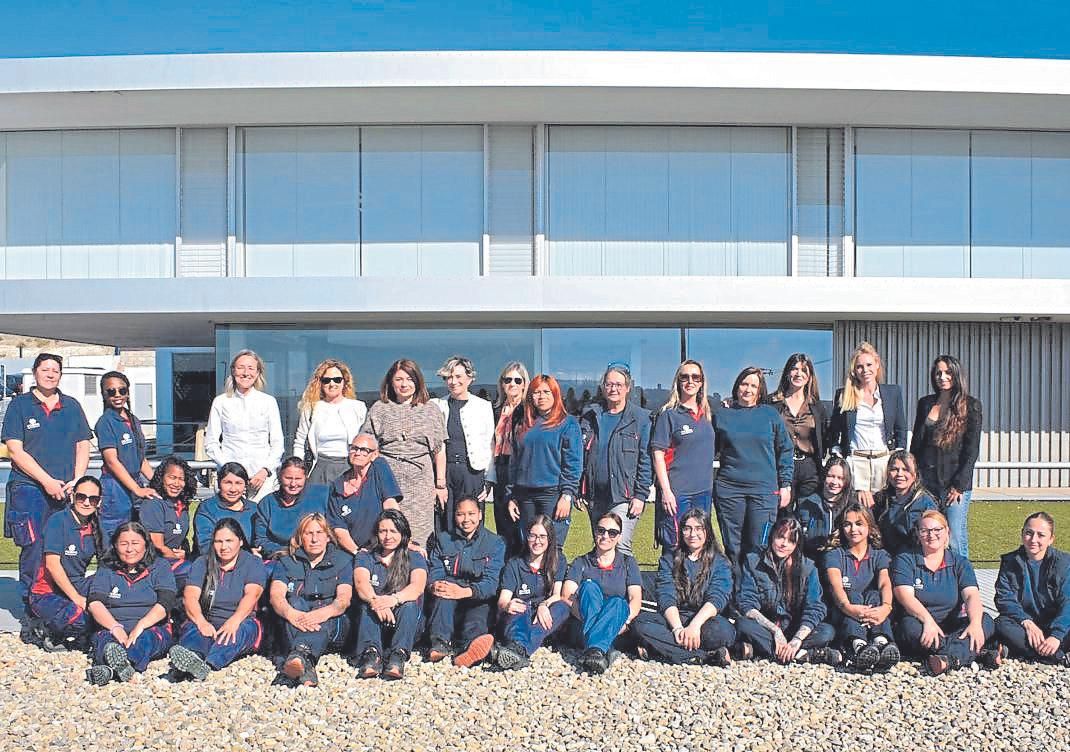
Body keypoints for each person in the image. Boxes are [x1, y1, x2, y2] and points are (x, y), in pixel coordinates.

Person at [2, 353, 92, 608]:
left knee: (64, 546)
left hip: (66, 489)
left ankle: (61, 602)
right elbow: (15, 451)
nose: (50, 374)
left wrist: (77, 480)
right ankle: (33, 607)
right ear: (35, 372)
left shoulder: (71, 405)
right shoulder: (20, 405)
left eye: (55, 370)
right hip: (30, 488)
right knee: (34, 547)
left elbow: (83, 444)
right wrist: (46, 481)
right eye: (45, 369)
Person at [893, 510, 1002, 675]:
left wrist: (974, 623)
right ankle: (972, 652)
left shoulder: (960, 562)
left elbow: (971, 595)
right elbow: (905, 596)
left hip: (952, 624)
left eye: (937, 530)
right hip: (920, 622)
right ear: (918, 533)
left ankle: (949, 658)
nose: (932, 535)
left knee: (985, 620)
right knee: (908, 628)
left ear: (947, 532)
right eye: (925, 530)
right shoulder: (905, 559)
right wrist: (928, 621)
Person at [712, 367, 793, 571]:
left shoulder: (770, 415)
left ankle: (756, 594)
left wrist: (786, 485)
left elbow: (784, 450)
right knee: (734, 547)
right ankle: (736, 594)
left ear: (760, 390)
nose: (748, 389)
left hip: (764, 491)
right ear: (737, 386)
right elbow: (708, 449)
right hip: (730, 490)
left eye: (753, 385)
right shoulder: (722, 415)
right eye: (744, 384)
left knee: (760, 545)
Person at [631, 509, 735, 666]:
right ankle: (706, 656)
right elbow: (666, 596)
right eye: (687, 528)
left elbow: (717, 597)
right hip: (675, 618)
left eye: (699, 528)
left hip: (705, 620)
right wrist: (678, 629)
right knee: (641, 624)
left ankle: (665, 649)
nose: (693, 534)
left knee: (723, 632)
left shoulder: (720, 562)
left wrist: (694, 626)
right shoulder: (669, 559)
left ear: (707, 531)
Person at [361, 359, 447, 548]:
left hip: (421, 482)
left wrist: (440, 485)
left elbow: (439, 450)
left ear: (417, 381)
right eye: (399, 379)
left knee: (420, 533)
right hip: (388, 481)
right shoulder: (379, 408)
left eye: (409, 379)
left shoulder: (431, 409)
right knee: (389, 529)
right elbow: (368, 445)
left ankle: (419, 572)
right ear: (391, 382)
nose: (404, 384)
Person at [168, 518, 266, 680]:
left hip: (241, 619)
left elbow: (252, 595)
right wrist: (201, 622)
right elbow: (190, 596)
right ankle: (192, 657)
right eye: (218, 541)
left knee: (235, 634)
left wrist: (234, 621)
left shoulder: (252, 563)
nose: (223, 547)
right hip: (208, 618)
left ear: (240, 541)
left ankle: (207, 664)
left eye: (229, 541)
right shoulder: (202, 562)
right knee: (194, 630)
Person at [734, 517, 840, 665]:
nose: (784, 544)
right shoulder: (753, 562)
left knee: (827, 631)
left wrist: (796, 640)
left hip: (794, 628)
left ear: (797, 544)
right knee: (743, 624)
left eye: (791, 541)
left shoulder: (807, 568)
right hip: (767, 627)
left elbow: (815, 607)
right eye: (780, 537)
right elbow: (747, 603)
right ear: (772, 536)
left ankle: (770, 651)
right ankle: (802, 655)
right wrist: (775, 631)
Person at [909, 355, 983, 559]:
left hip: (954, 486)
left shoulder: (971, 406)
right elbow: (916, 445)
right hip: (926, 484)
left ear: (957, 374)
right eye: (938, 373)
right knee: (926, 533)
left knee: (955, 537)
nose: (942, 377)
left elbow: (971, 451)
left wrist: (959, 485)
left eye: (947, 372)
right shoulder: (925, 403)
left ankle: (964, 584)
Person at [85, 522, 176, 685]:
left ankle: (111, 669)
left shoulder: (160, 566)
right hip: (113, 627)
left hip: (149, 628)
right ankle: (117, 667)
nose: (129, 549)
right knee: (106, 641)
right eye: (123, 544)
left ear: (146, 544)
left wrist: (140, 626)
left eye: (135, 543)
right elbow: (94, 603)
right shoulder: (107, 568)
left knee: (144, 640)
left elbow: (165, 602)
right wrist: (115, 627)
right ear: (115, 545)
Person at [268, 513, 354, 687]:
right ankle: (304, 661)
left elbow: (344, 599)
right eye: (308, 534)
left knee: (328, 617)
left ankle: (299, 653)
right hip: (296, 619)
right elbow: (276, 596)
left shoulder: (343, 561)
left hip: (331, 623)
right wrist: (290, 613)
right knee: (294, 602)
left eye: (319, 533)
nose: (314, 539)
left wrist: (323, 613)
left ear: (328, 537)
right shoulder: (286, 562)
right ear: (300, 537)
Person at [579, 363, 652, 557]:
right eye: (609, 384)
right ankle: (604, 586)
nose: (614, 389)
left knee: (620, 545)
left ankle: (629, 587)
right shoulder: (590, 416)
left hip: (624, 495)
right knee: (601, 545)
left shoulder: (640, 419)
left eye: (619, 385)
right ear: (603, 387)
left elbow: (645, 459)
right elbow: (581, 455)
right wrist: (580, 488)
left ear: (628, 388)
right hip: (595, 495)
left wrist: (640, 495)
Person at [426, 496, 506, 667]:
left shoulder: (495, 543)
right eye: (460, 514)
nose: (466, 519)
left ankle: (469, 649)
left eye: (471, 513)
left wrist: (464, 592)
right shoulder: (442, 539)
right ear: (454, 516)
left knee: (477, 618)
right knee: (442, 596)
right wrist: (435, 584)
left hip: (476, 595)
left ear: (480, 515)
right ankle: (440, 643)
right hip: (449, 591)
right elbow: (435, 569)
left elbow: (491, 582)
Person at [26, 476, 104, 652]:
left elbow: (108, 563)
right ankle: (46, 628)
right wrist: (78, 599)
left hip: (77, 586)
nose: (86, 502)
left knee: (114, 592)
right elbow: (53, 566)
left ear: (99, 502)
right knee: (81, 618)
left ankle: (88, 636)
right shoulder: (58, 521)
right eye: (81, 497)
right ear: (72, 496)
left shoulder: (96, 526)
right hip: (47, 593)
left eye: (93, 499)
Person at [505, 374, 582, 549]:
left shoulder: (567, 424)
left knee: (552, 546)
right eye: (536, 392)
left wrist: (567, 495)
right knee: (529, 545)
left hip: (553, 494)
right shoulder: (523, 424)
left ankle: (552, 577)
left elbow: (573, 463)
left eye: (546, 392)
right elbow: (515, 464)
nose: (541, 396)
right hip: (525, 495)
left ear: (555, 394)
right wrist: (512, 495)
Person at [560, 512, 643, 675]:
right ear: (595, 532)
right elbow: (567, 596)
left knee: (618, 602)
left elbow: (635, 599)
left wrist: (622, 622)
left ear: (619, 537)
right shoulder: (581, 562)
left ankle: (594, 650)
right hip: (584, 618)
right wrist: (596, 621)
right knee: (589, 588)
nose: (606, 536)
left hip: (617, 622)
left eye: (612, 532)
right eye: (601, 530)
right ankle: (601, 649)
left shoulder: (628, 563)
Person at [822, 502, 900, 672]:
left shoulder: (879, 555)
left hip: (873, 614)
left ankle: (881, 642)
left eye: (859, 524)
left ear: (869, 528)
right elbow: (836, 586)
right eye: (847, 524)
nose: (853, 529)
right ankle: (858, 646)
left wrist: (886, 608)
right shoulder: (835, 554)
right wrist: (848, 607)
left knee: (874, 594)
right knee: (854, 595)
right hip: (843, 612)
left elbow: (885, 582)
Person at [352, 509, 428, 679]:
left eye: (393, 531)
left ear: (403, 532)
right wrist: (375, 602)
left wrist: (392, 600)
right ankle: (371, 654)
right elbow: (361, 582)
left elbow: (417, 586)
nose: (388, 536)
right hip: (375, 620)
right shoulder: (366, 556)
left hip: (405, 622)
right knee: (365, 605)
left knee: (409, 605)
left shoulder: (414, 556)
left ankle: (398, 655)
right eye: (383, 531)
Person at [829, 342, 908, 506]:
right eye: (859, 367)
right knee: (858, 510)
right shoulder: (844, 395)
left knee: (883, 509)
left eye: (869, 365)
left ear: (877, 365)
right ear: (854, 370)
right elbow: (834, 432)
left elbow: (900, 428)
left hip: (883, 460)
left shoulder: (893, 393)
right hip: (856, 461)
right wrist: (839, 455)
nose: (865, 370)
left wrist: (897, 455)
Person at [651, 360, 715, 551]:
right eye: (684, 377)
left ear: (702, 382)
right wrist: (666, 491)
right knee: (675, 544)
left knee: (699, 546)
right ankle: (669, 582)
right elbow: (657, 454)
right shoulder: (669, 416)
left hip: (703, 493)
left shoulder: (707, 415)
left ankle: (695, 581)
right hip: (678, 493)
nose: (690, 381)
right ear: (678, 381)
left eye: (695, 377)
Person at [205, 349, 284, 502]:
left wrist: (265, 471)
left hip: (262, 480)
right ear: (233, 370)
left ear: (258, 372)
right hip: (230, 480)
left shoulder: (268, 402)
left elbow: (277, 443)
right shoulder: (221, 402)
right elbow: (211, 443)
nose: (245, 373)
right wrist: (229, 469)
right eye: (241, 367)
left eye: (250, 368)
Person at [493, 514, 570, 670]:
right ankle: (520, 649)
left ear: (550, 539)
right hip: (520, 615)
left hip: (543, 614)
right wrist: (507, 605)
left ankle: (517, 649)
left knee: (562, 606)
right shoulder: (514, 564)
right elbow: (503, 600)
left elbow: (557, 595)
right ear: (526, 537)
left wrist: (543, 604)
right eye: (533, 536)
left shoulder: (558, 560)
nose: (537, 541)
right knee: (520, 606)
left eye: (542, 536)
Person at [995, 512, 1070, 664]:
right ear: (1022, 534)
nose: (1033, 540)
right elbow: (1004, 599)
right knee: (1001, 623)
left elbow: (1068, 603)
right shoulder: (1010, 562)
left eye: (1040, 535)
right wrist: (1026, 622)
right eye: (1029, 533)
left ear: (1051, 539)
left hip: (1057, 626)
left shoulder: (1064, 563)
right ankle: (1058, 657)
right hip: (1027, 629)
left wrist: (1056, 635)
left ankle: (1035, 653)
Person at [431, 355, 495, 533]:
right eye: (449, 377)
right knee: (445, 520)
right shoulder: (437, 405)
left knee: (471, 522)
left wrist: (490, 479)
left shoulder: (483, 406)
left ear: (470, 378)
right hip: (446, 473)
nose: (453, 381)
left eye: (458, 376)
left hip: (472, 473)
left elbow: (490, 444)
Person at [95, 370, 159, 541]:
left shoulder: (133, 420)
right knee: (114, 538)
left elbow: (141, 459)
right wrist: (137, 489)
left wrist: (157, 482)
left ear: (128, 392)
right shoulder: (105, 422)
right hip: (115, 487)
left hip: (134, 481)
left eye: (122, 390)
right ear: (104, 394)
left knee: (136, 536)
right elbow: (111, 461)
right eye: (111, 391)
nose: (117, 395)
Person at [293, 358, 368, 487]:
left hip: (349, 467)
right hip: (320, 468)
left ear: (344, 382)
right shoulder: (311, 408)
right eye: (326, 380)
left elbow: (366, 441)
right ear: (320, 383)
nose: (332, 384)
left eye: (337, 379)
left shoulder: (358, 407)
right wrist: (297, 471)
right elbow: (300, 442)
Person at [768, 353, 829, 504]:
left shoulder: (817, 407)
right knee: (784, 517)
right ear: (788, 373)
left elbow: (825, 437)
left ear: (809, 376)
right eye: (794, 369)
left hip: (809, 467)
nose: (798, 373)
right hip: (780, 467)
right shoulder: (772, 403)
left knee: (807, 514)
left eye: (804, 370)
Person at [327, 435, 402, 554]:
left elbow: (390, 504)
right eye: (354, 448)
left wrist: (403, 540)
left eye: (364, 450)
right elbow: (338, 528)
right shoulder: (337, 486)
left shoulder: (379, 467)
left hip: (381, 547)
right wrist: (357, 552)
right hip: (350, 551)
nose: (357, 453)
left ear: (375, 455)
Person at [253, 457, 330, 562]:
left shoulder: (323, 495)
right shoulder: (267, 503)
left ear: (306, 477)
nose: (293, 484)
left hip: (319, 555)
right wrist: (286, 552)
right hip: (282, 557)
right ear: (280, 476)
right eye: (288, 478)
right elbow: (261, 540)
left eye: (298, 479)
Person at [139, 455, 198, 591]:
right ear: (162, 478)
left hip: (174, 560)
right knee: (193, 572)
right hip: (154, 562)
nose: (176, 484)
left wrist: (184, 554)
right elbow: (158, 546)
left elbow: (182, 540)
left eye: (181, 479)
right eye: (172, 477)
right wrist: (180, 560)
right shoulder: (153, 503)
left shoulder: (182, 505)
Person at [491, 361, 529, 554]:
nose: (512, 384)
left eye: (517, 380)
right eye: (508, 380)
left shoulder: (529, 411)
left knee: (519, 523)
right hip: (499, 467)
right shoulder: (495, 410)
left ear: (524, 384)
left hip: (520, 470)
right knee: (502, 523)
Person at [872, 450, 938, 556]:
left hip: (914, 558)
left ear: (915, 475)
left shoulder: (925, 503)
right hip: (884, 558)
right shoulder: (880, 500)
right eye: (894, 469)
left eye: (906, 470)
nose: (899, 474)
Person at [795, 457, 853, 560]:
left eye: (840, 478)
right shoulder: (807, 504)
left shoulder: (852, 506)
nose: (834, 482)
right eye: (831, 476)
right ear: (824, 477)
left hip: (842, 560)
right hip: (810, 559)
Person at [193, 462, 257, 555]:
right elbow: (205, 545)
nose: (233, 489)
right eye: (228, 483)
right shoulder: (207, 508)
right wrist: (245, 556)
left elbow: (261, 539)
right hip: (213, 562)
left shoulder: (254, 509)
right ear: (219, 484)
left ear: (245, 485)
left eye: (238, 483)